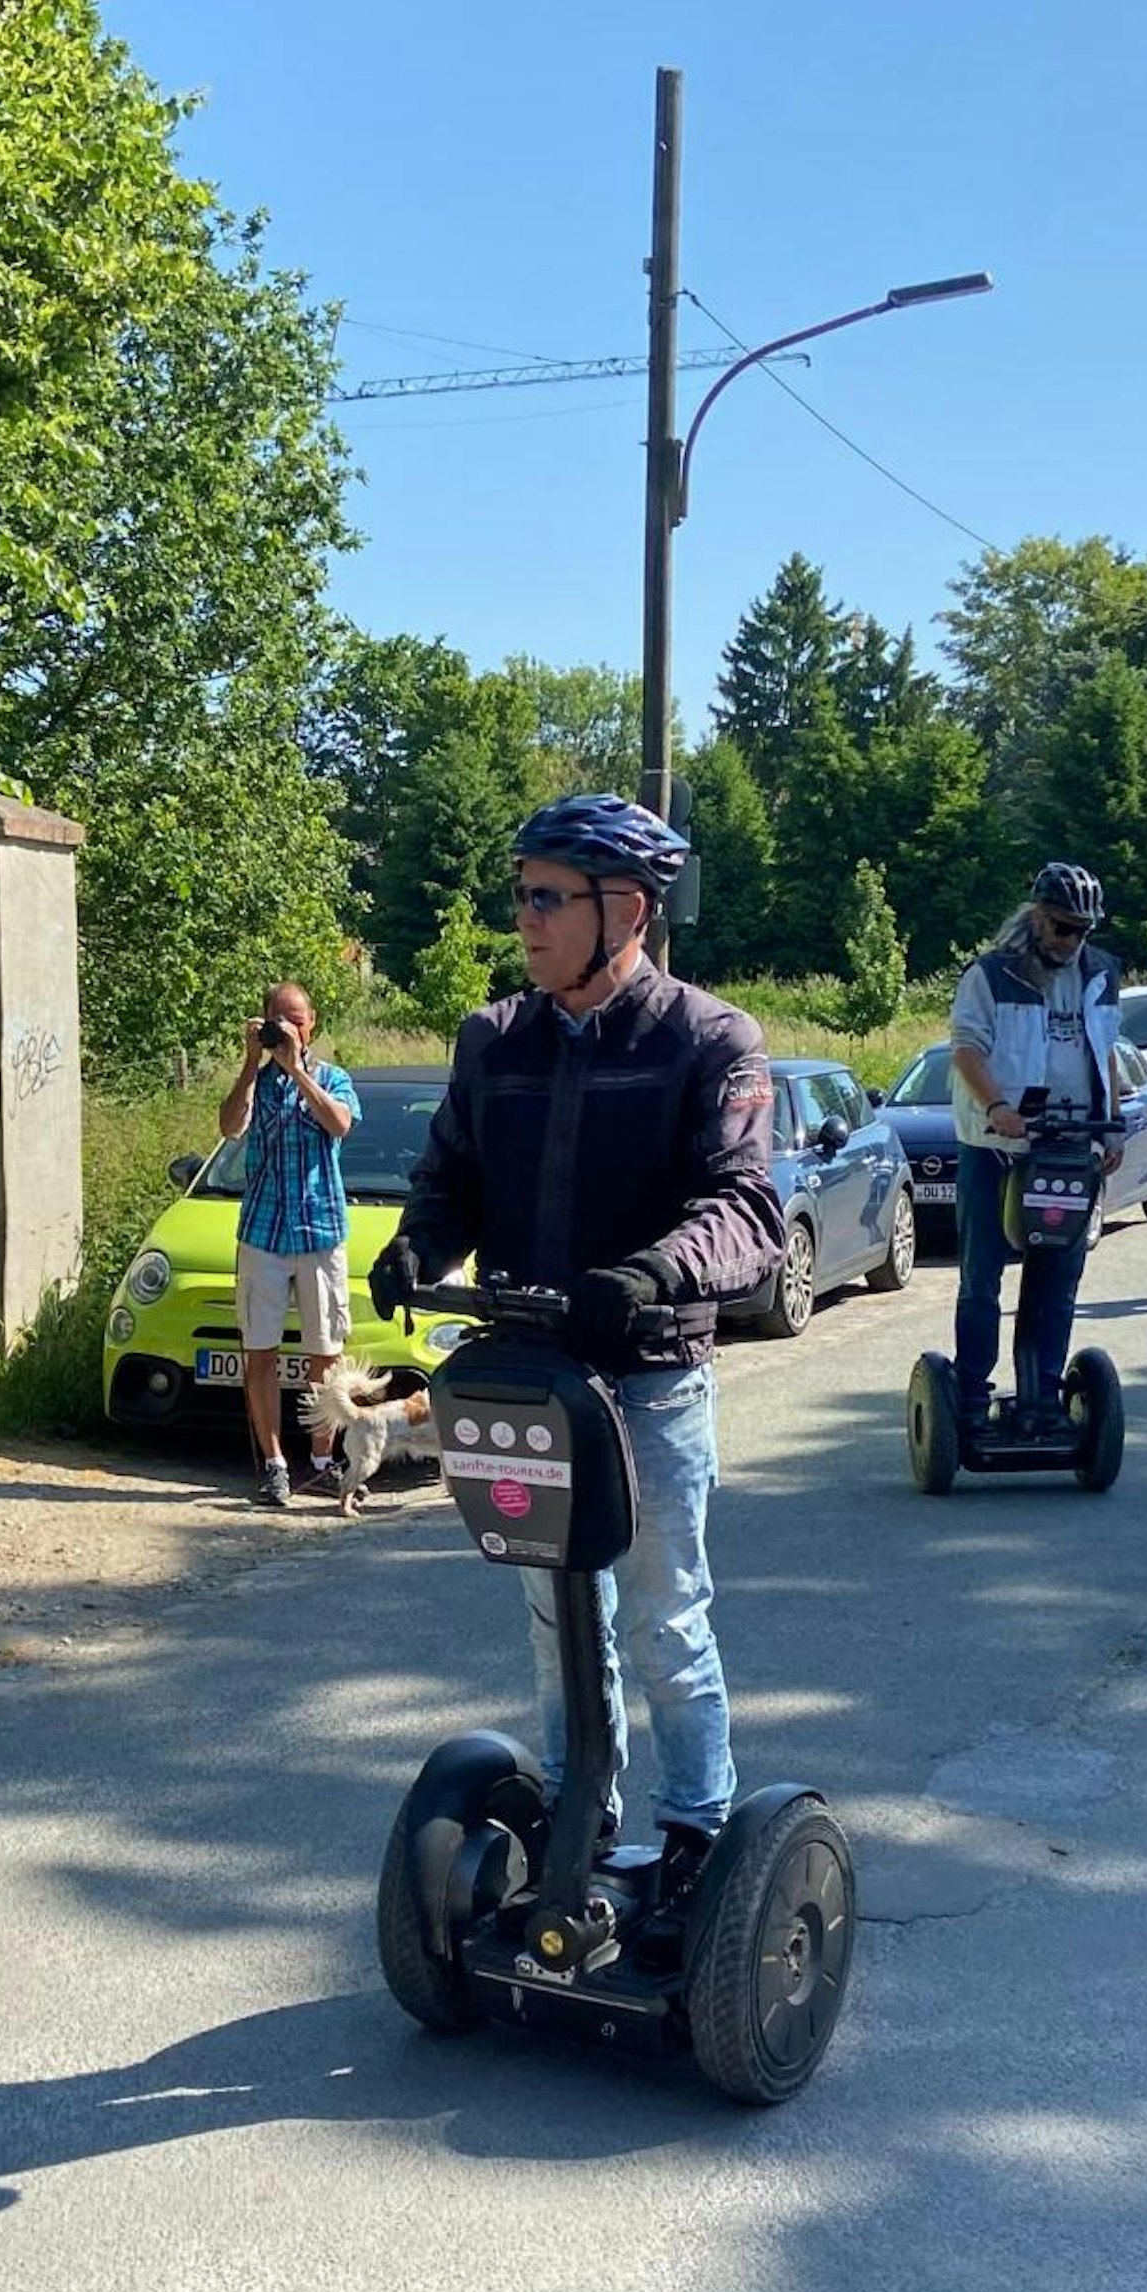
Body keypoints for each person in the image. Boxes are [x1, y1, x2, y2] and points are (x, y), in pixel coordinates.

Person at [370, 796, 780, 1862]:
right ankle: (578, 1822)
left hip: (646, 1379)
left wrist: (651, 1274)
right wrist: (421, 1246)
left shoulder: (708, 1040)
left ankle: (695, 1833)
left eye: (548, 897)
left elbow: (746, 1212)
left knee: (663, 1621)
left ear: (628, 909)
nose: (526, 920)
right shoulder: (495, 1039)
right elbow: (449, 1180)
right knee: (559, 1622)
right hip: (531, 1380)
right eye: (521, 896)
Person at [946, 863, 1127, 1437]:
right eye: (1061, 928)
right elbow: (967, 1049)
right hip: (997, 1148)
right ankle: (972, 1392)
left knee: (1058, 1275)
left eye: (1081, 930)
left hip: (1072, 1146)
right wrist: (998, 1105)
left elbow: (1107, 1052)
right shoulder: (992, 975)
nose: (1070, 941)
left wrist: (1114, 1121)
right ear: (1036, 918)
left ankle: (1043, 1393)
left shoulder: (1100, 974)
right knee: (982, 1276)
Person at [213, 980, 358, 1507]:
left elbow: (340, 1125)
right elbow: (230, 1128)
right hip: (263, 1232)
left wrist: (297, 1069)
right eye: (279, 1019)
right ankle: (274, 1462)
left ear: (312, 1022)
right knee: (261, 1352)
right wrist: (252, 1063)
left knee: (326, 1352)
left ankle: (322, 1457)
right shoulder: (258, 1080)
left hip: (320, 1229)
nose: (289, 1028)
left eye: (297, 1020)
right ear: (263, 1021)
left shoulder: (333, 1078)